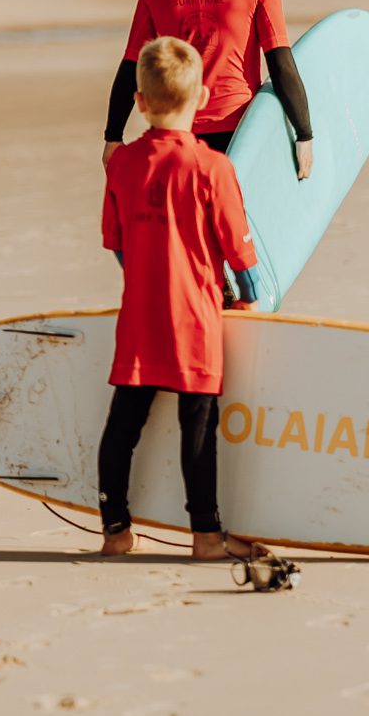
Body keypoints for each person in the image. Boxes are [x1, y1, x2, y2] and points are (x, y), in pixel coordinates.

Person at [97, 36, 273, 562]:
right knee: (198, 429)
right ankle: (206, 537)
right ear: (201, 99)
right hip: (195, 321)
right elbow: (240, 251)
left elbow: (117, 244)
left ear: (141, 101)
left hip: (139, 319)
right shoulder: (213, 169)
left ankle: (115, 532)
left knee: (122, 429)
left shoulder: (123, 166)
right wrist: (250, 301)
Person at [102, 0, 314, 178]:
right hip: (239, 131)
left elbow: (132, 65)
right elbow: (280, 64)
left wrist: (113, 136)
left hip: (176, 130)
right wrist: (304, 135)